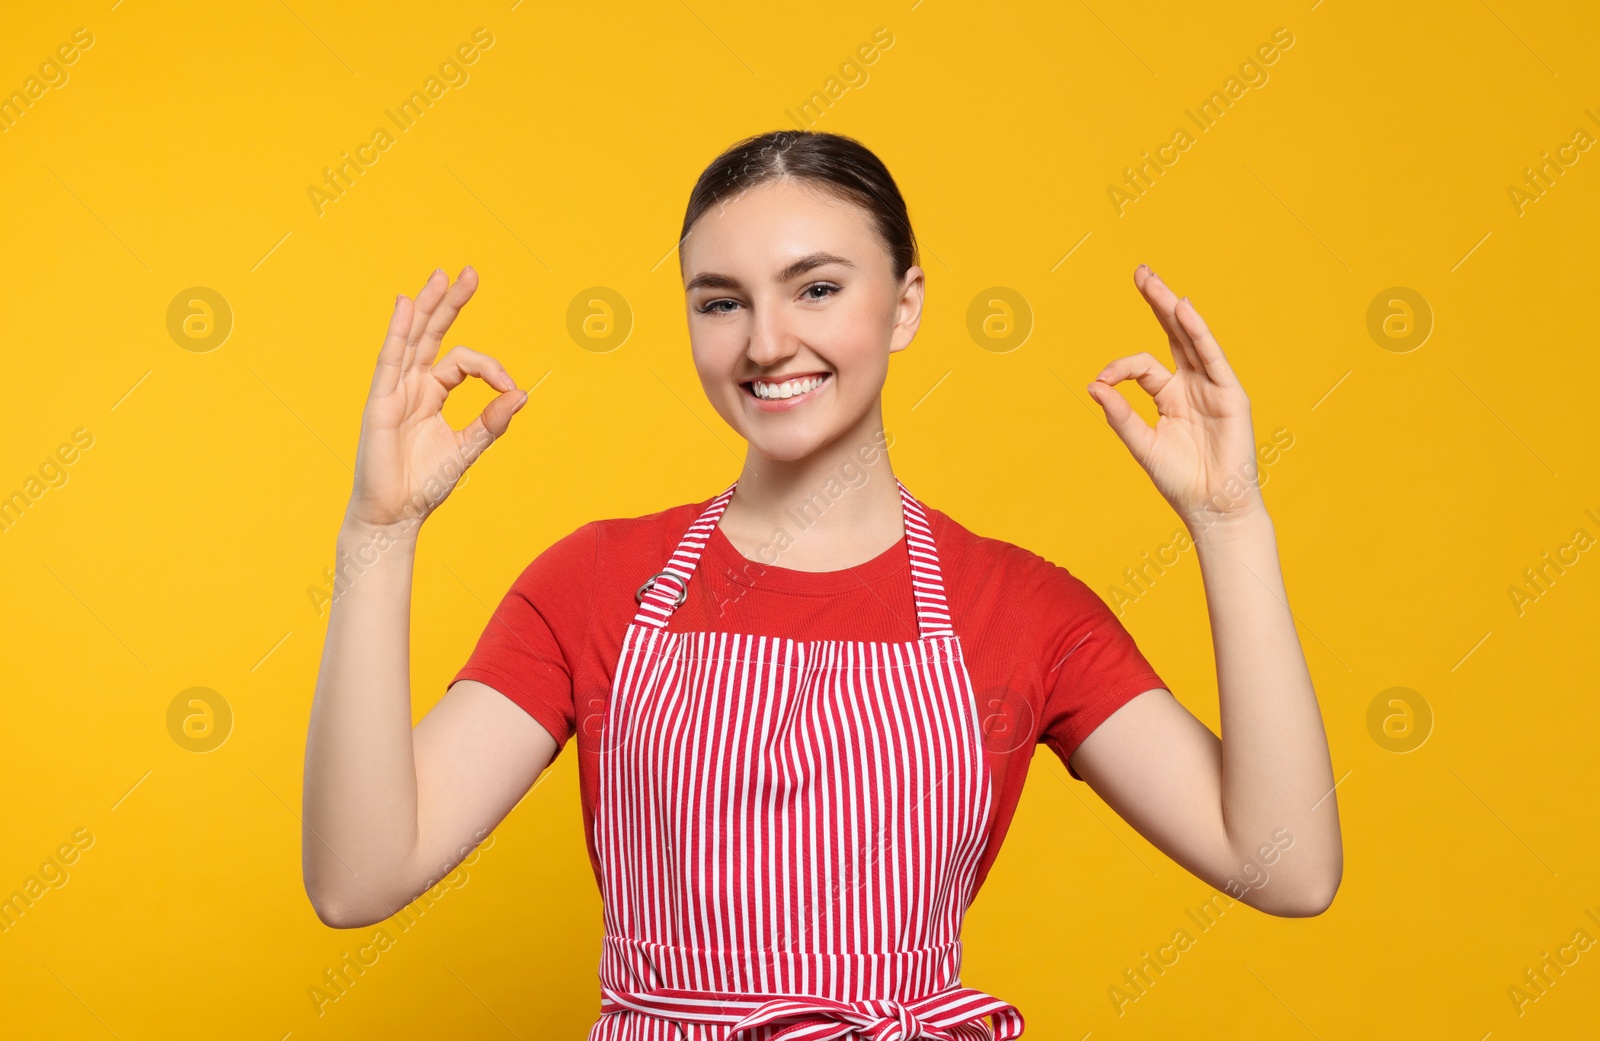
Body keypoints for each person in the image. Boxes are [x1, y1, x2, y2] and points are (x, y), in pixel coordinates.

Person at [302, 129, 1342, 1039]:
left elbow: (1284, 866)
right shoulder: (598, 583)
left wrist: (1228, 521)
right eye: (721, 303)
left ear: (905, 303)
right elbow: (359, 879)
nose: (765, 343)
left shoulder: (1022, 609)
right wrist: (378, 533)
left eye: (816, 287)